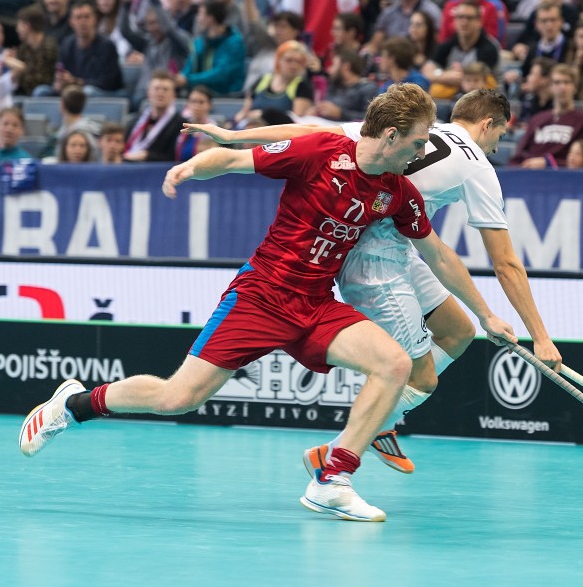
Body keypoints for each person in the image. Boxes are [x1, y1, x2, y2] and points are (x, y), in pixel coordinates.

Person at [19, 84, 518, 523]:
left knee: (392, 363)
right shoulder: (324, 152)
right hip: (261, 296)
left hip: (317, 303)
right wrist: (192, 166)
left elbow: (440, 255)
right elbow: (234, 159)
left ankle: (332, 482)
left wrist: (486, 314)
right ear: (389, 135)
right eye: (415, 142)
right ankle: (74, 404)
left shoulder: (397, 190)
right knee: (180, 397)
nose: (419, 152)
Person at [182, 88, 562, 473]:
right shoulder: (477, 166)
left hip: (401, 249)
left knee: (458, 331)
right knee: (420, 377)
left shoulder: (413, 130)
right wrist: (541, 337)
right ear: (487, 124)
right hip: (373, 263)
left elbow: (311, 131)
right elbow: (506, 263)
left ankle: (382, 415)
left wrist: (235, 135)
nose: (497, 148)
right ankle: (353, 439)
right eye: (499, 137)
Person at [509, 64, 583, 168]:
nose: (562, 87)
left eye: (566, 82)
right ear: (551, 87)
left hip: (563, 175)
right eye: (557, 82)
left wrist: (548, 163)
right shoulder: (537, 119)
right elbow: (519, 155)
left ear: (574, 87)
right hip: (531, 173)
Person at [124, 72, 185, 162]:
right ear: (148, 93)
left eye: (165, 89)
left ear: (173, 95)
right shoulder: (135, 121)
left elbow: (176, 157)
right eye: (156, 89)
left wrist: (147, 156)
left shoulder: (181, 125)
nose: (160, 93)